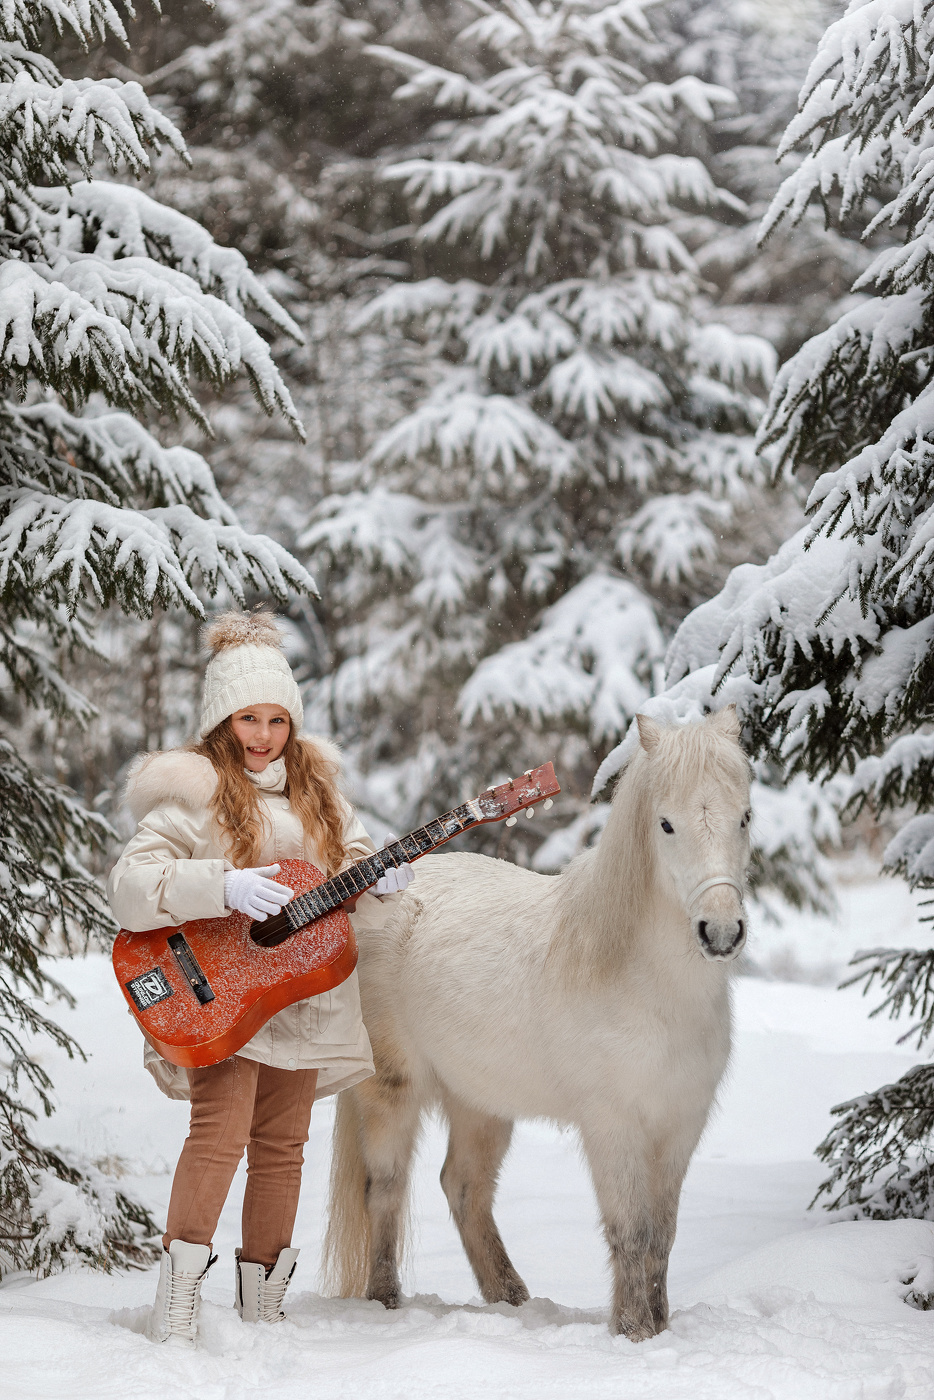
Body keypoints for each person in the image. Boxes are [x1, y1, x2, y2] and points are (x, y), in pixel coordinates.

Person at [107, 611, 413, 1347]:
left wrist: (380, 883)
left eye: (278, 719)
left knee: (283, 1146)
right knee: (220, 1133)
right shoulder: (194, 789)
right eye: (250, 717)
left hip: (301, 998)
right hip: (221, 993)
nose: (265, 735)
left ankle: (262, 1305)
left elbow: (349, 884)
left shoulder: (322, 796)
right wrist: (223, 888)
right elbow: (129, 885)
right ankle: (177, 1302)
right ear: (222, 718)